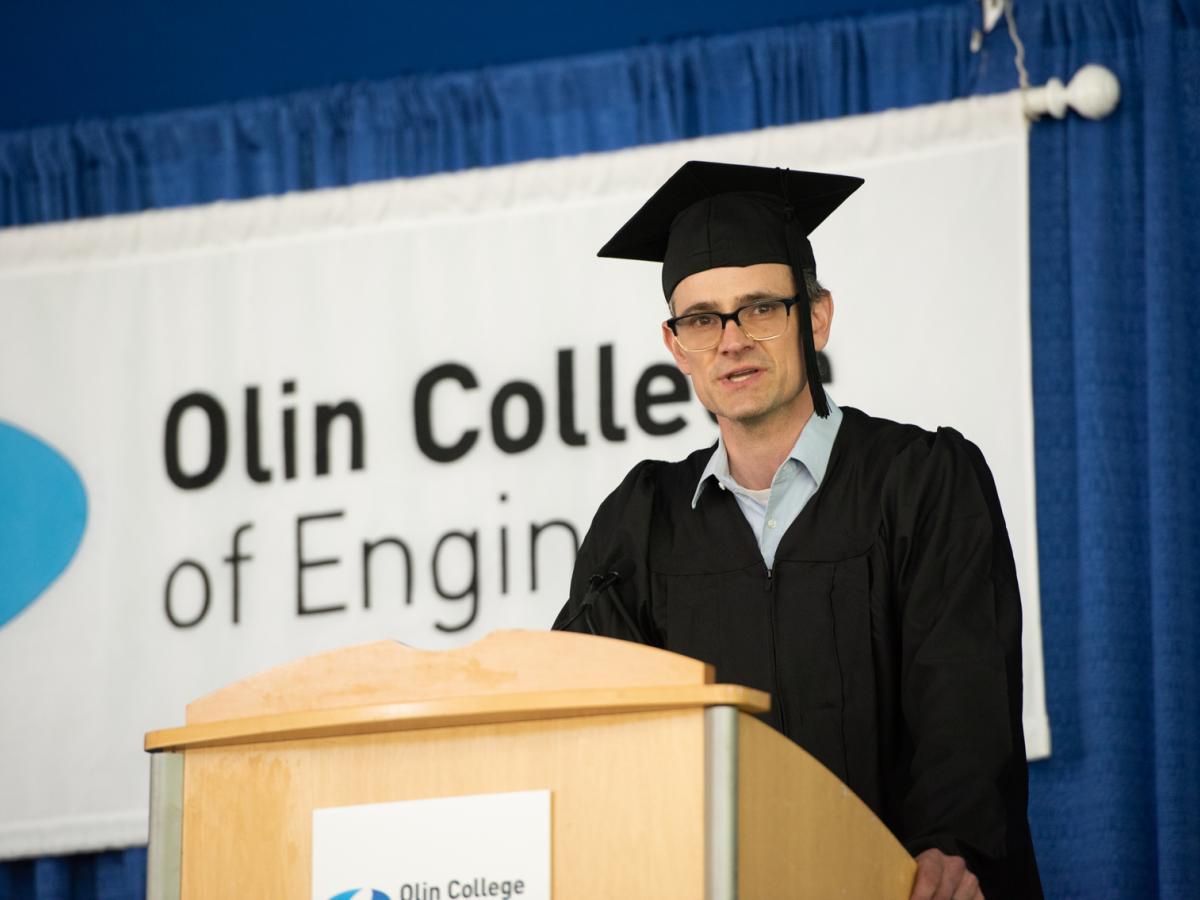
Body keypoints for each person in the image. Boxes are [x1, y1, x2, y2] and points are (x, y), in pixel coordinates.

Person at [553, 161, 1042, 899]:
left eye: (759, 309)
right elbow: (591, 731)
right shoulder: (642, 521)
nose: (730, 340)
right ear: (675, 344)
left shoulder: (920, 481)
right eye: (702, 319)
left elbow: (965, 696)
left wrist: (950, 846)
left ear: (815, 316)